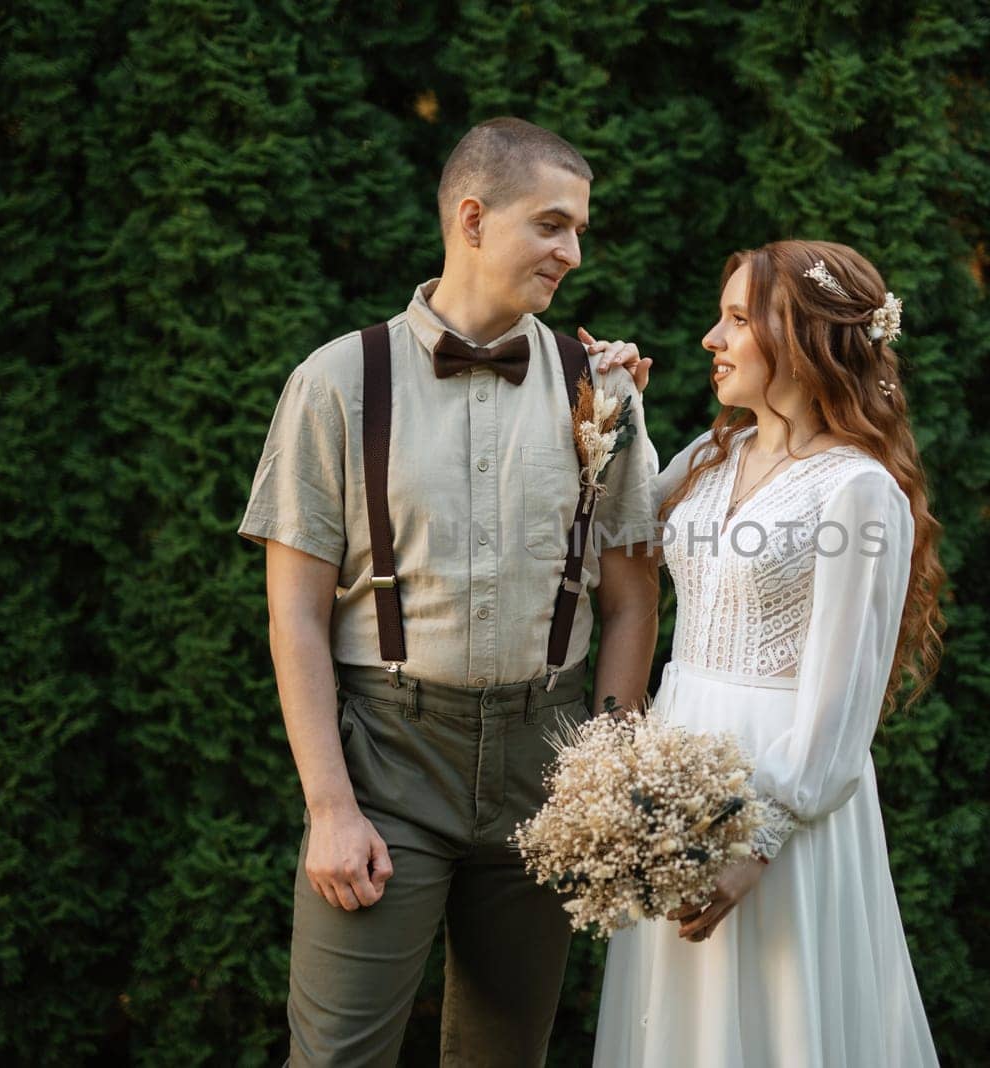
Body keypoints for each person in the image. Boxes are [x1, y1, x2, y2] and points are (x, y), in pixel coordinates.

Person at [237, 116, 660, 1067]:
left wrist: (604, 772)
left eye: (580, 229)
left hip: (547, 762)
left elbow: (633, 599)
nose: (573, 252)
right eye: (552, 225)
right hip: (387, 761)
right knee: (339, 1055)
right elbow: (294, 616)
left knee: (506, 1057)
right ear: (473, 217)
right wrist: (331, 808)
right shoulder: (337, 381)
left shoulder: (604, 390)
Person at [593, 240, 947, 1067]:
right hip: (683, 765)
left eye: (738, 319)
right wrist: (619, 411)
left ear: (808, 337)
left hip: (778, 795)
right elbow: (623, 534)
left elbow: (844, 695)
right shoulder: (715, 457)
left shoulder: (856, 490)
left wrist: (759, 841)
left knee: (776, 1021)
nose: (711, 340)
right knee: (680, 1021)